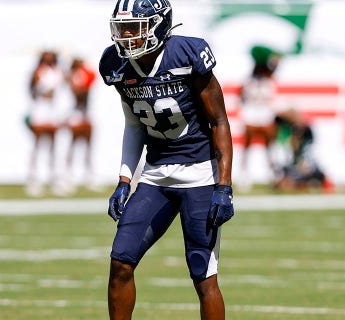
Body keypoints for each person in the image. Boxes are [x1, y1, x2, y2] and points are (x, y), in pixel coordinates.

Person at [99, 0, 234, 319]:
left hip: (200, 176)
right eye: (122, 28)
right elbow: (134, 125)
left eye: (134, 27)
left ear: (159, 25)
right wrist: (124, 180)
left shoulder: (186, 55)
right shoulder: (117, 65)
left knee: (204, 276)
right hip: (155, 176)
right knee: (120, 261)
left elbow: (220, 121)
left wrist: (224, 185)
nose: (126, 35)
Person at [238, 45, 281, 191]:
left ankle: (274, 176)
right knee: (247, 148)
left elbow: (276, 63)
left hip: (265, 116)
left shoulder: (269, 77)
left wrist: (270, 58)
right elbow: (241, 96)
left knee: (270, 148)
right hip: (251, 115)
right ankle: (244, 176)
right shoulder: (249, 79)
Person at [25, 50, 65, 196]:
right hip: (40, 109)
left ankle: (54, 177)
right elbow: (33, 87)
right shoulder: (39, 71)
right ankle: (33, 177)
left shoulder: (58, 71)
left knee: (53, 145)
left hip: (52, 110)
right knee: (37, 144)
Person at [63, 57, 98, 192]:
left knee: (88, 145)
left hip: (85, 113)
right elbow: (77, 92)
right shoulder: (73, 76)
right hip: (75, 113)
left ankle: (89, 175)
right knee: (72, 145)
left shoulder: (82, 75)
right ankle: (68, 175)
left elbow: (92, 78)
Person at [272, 109, 326, 192]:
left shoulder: (304, 132)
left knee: (308, 173)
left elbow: (306, 155)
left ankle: (304, 182)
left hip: (304, 165)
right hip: (294, 165)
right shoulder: (285, 131)